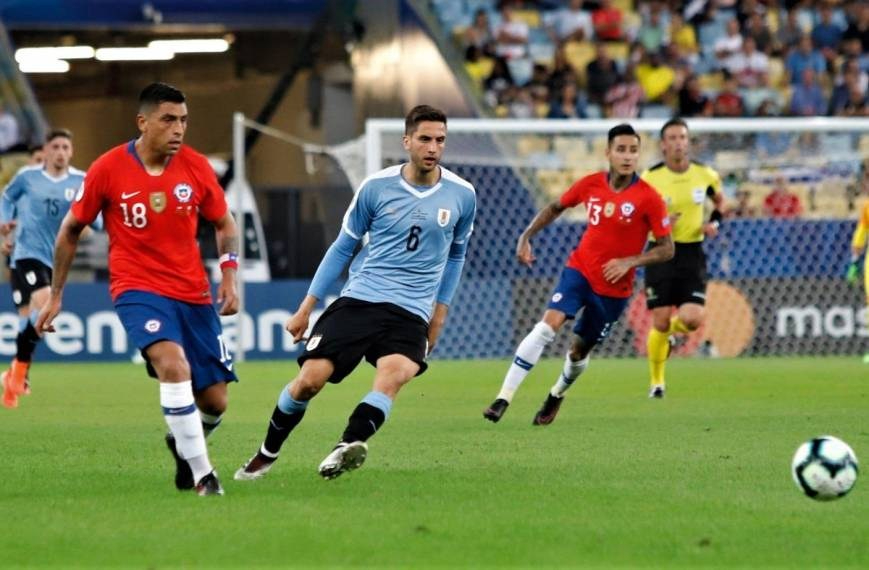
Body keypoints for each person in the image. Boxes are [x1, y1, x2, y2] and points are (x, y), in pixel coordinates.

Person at [234, 105, 476, 481]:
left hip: (411, 310)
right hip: (361, 298)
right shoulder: (376, 188)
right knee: (310, 380)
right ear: (407, 141)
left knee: (394, 376)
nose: (433, 147)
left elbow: (457, 255)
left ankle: (345, 447)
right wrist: (306, 307)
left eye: (440, 140)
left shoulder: (462, 195)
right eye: (425, 139)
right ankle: (266, 453)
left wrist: (439, 313)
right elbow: (342, 247)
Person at [36, 83, 239, 496]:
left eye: (183, 120)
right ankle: (204, 476)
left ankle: (183, 444)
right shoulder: (108, 169)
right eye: (168, 120)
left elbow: (224, 223)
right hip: (137, 288)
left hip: (193, 292)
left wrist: (229, 276)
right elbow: (70, 230)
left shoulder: (197, 167)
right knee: (173, 364)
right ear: (142, 122)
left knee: (215, 402)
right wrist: (56, 293)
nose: (178, 129)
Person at [483, 124, 673, 425]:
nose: (627, 156)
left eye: (633, 150)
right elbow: (556, 206)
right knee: (548, 326)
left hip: (614, 289)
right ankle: (503, 397)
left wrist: (630, 262)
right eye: (621, 149)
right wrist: (526, 235)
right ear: (608, 152)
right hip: (580, 270)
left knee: (577, 351)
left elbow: (667, 249)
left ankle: (556, 394)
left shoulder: (649, 197)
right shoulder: (590, 184)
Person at [0, 129, 90, 408]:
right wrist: (4, 228)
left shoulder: (80, 181)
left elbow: (92, 220)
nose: (61, 151)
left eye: (66, 146)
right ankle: (18, 375)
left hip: (55, 260)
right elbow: (6, 199)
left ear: (71, 151)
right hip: (25, 256)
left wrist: (86, 226)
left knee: (28, 320)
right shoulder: (28, 179)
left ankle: (14, 375)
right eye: (56, 146)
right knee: (43, 304)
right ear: (47, 151)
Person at [640, 118, 724, 399]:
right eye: (672, 138)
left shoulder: (706, 174)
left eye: (682, 137)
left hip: (691, 252)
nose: (678, 142)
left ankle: (672, 338)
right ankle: (657, 382)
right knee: (660, 321)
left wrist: (714, 224)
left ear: (688, 142)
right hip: (660, 250)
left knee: (693, 318)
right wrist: (661, 222)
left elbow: (720, 205)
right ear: (663, 145)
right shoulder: (650, 178)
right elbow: (638, 218)